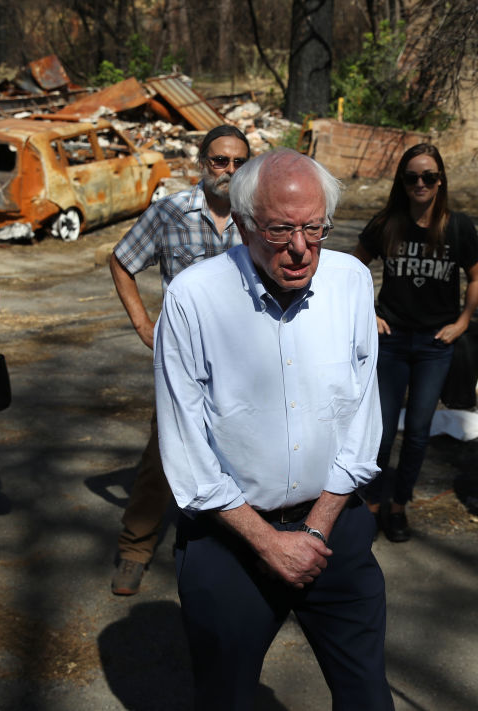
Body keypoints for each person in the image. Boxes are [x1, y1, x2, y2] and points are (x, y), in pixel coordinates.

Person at [155, 149, 392, 709]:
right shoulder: (194, 298)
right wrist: (266, 541)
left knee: (367, 697)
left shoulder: (351, 282)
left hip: (334, 527)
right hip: (230, 540)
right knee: (226, 697)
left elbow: (363, 418)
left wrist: (315, 530)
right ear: (241, 225)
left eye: (315, 228)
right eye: (280, 230)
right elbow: (186, 448)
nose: (301, 249)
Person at [108, 125, 250, 596]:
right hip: (184, 362)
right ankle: (135, 547)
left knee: (241, 452)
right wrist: (145, 327)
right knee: (162, 453)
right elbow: (122, 262)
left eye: (238, 162)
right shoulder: (169, 212)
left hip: (245, 361)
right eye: (220, 161)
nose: (229, 170)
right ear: (201, 161)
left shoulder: (257, 214)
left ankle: (238, 548)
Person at [354, 144, 478, 542]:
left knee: (419, 431)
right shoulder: (387, 223)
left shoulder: (457, 227)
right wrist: (367, 314)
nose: (420, 184)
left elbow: (476, 277)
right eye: (412, 177)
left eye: (428, 177)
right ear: (402, 182)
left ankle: (398, 506)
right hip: (391, 340)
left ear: (440, 180)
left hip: (434, 344)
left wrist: (462, 322)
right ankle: (372, 504)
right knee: (382, 428)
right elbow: (353, 268)